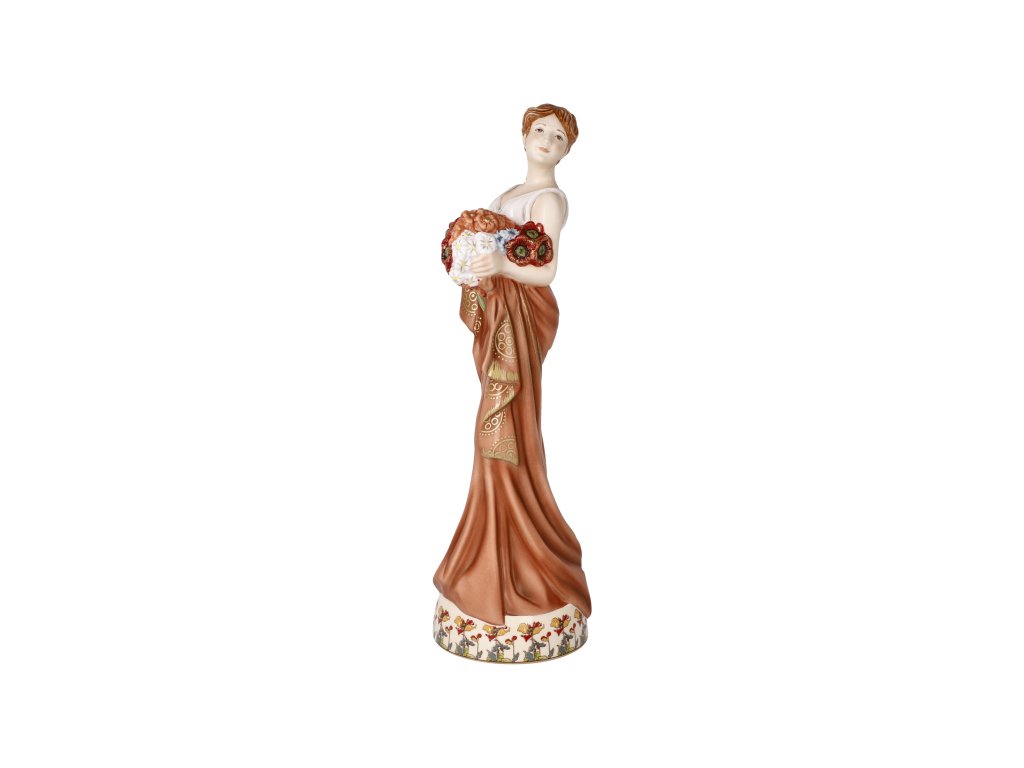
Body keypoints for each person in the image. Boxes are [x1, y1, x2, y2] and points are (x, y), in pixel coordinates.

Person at [432, 104, 592, 662]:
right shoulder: (507, 195)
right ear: (524, 136)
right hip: (499, 320)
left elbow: (544, 270)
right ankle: (489, 555)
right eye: (540, 130)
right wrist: (471, 268)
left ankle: (528, 554)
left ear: (567, 150)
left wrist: (499, 267)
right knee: (491, 433)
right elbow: (485, 250)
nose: (547, 140)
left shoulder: (548, 200)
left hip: (521, 326)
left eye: (559, 136)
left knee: (508, 430)